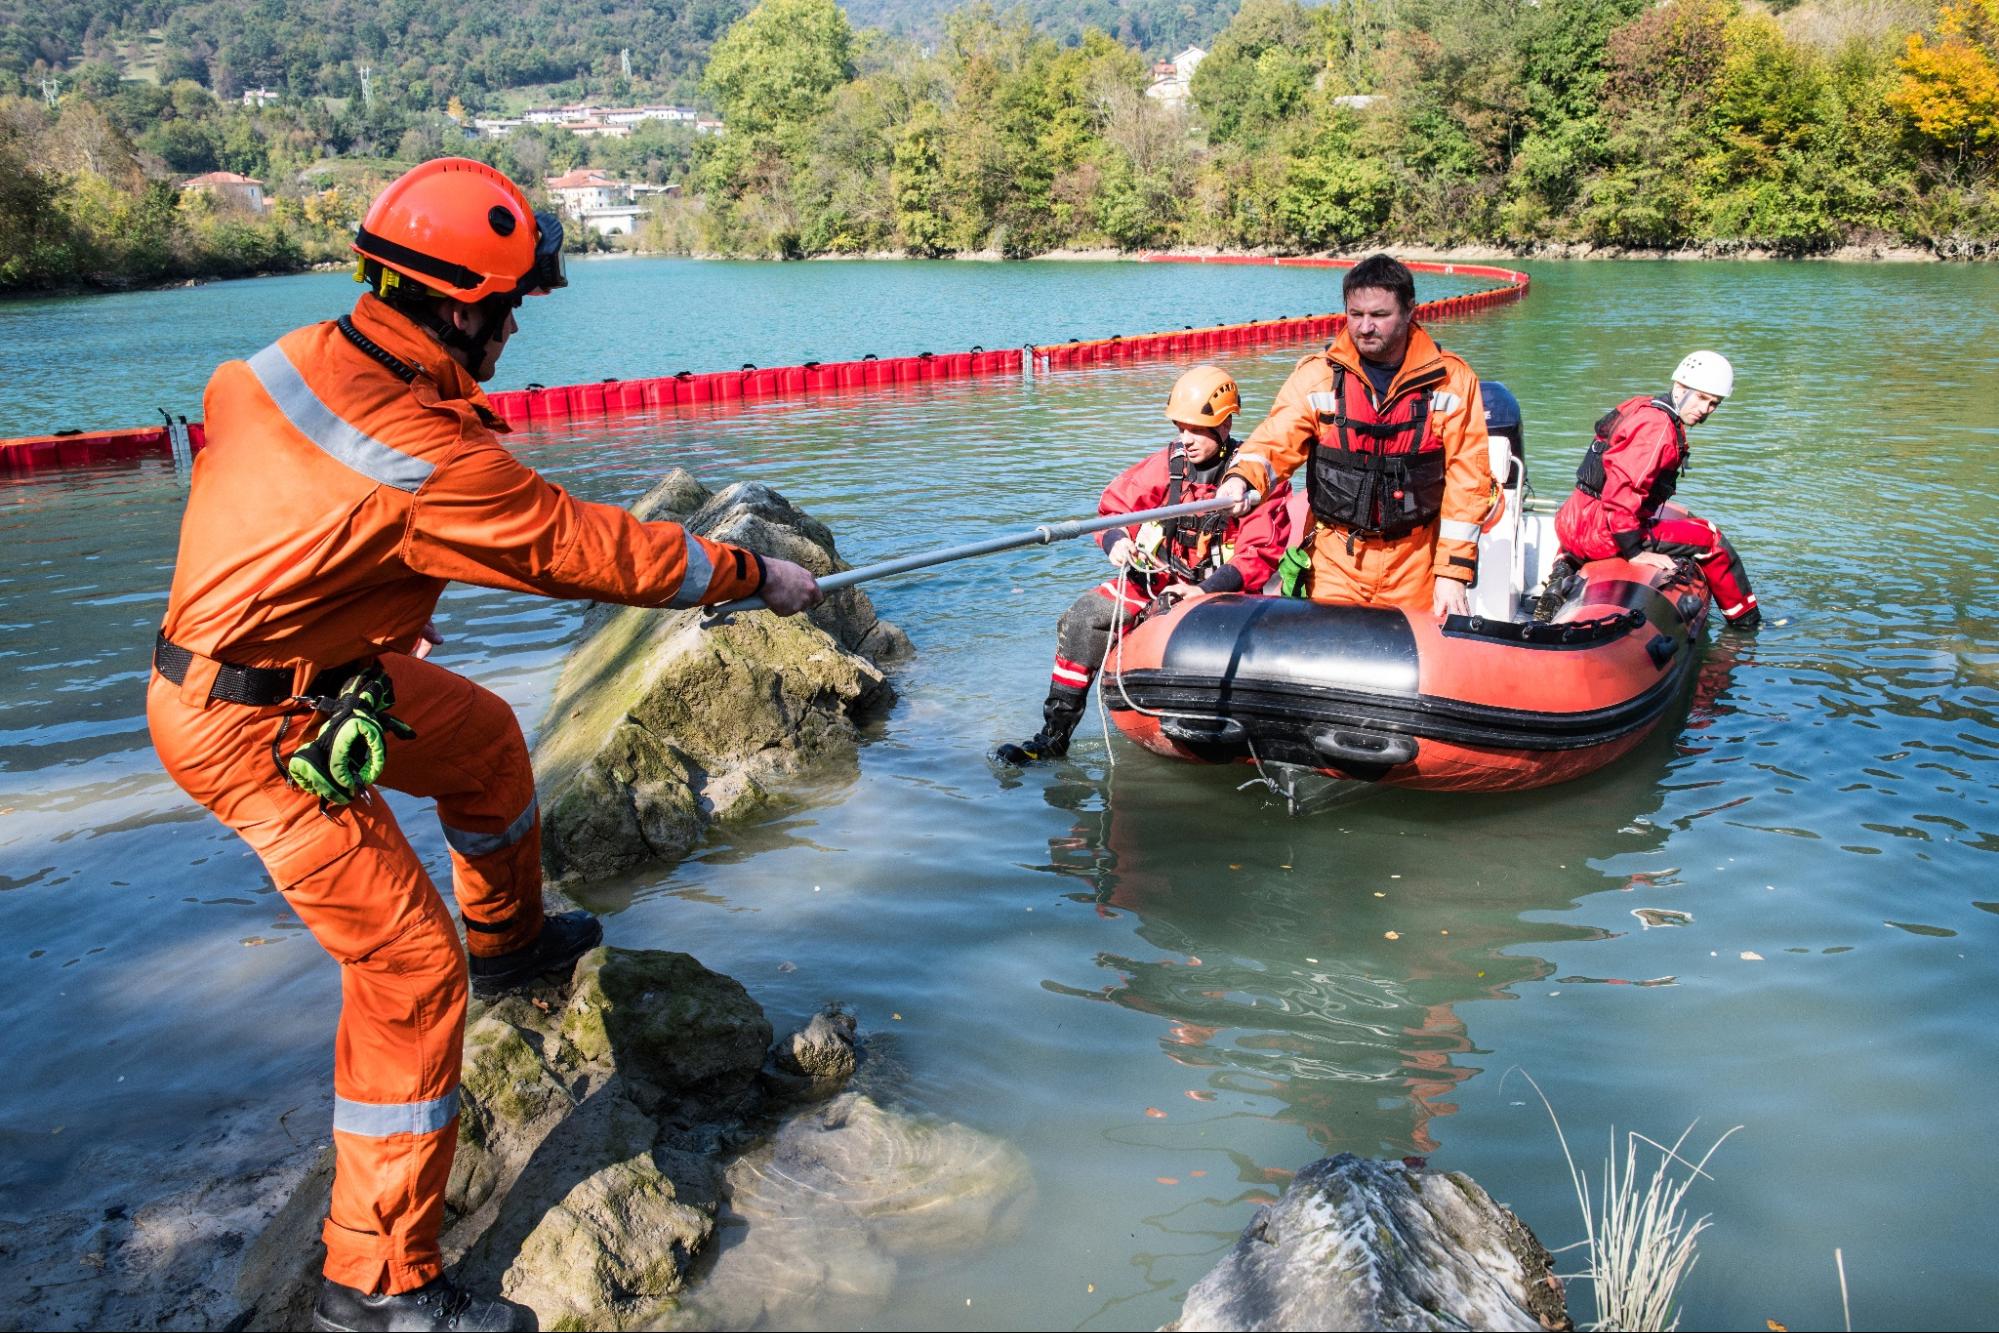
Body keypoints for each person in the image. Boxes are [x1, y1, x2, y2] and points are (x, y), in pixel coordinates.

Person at [145, 158, 822, 1333]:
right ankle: (376, 1282)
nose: (516, 325)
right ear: (461, 304)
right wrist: (756, 573)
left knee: (482, 739)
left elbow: (287, 503)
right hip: (248, 725)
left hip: (312, 674)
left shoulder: (296, 360)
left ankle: (508, 943)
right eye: (511, 304)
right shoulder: (427, 453)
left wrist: (366, 599)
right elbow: (587, 548)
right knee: (406, 974)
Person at [995, 365, 1293, 765]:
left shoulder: (1255, 479)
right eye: (1180, 427)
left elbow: (1260, 551)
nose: (1185, 439)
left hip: (1225, 592)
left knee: (1185, 625)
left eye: (1196, 429)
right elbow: (1112, 509)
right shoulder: (1167, 466)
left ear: (1225, 425)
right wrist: (1116, 542)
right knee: (1085, 616)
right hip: (1161, 579)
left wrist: (1203, 591)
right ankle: (1053, 736)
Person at [1214, 253, 1495, 617]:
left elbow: (1468, 481)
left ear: (1410, 311)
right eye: (1355, 314)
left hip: (1415, 563)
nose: (1364, 327)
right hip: (1335, 561)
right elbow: (1275, 439)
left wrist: (1452, 573)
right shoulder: (1317, 377)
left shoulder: (1453, 382)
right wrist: (1241, 478)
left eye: (1379, 315)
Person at [1551, 350, 1759, 627]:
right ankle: (1747, 624)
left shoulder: (1642, 406)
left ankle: (1564, 566)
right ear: (1680, 387)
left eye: (1714, 403)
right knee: (1710, 538)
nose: (1705, 409)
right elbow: (1623, 493)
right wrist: (1635, 551)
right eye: (1700, 397)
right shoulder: (1658, 428)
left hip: (1570, 522)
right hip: (1602, 531)